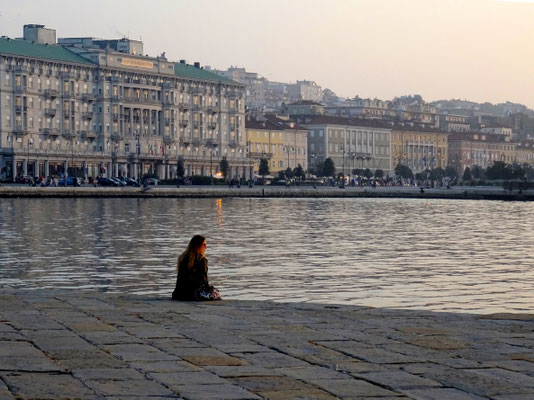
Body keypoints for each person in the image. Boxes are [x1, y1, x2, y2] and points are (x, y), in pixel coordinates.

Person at [172, 235, 221, 301]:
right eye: (204, 245)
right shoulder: (202, 260)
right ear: (198, 246)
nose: (206, 247)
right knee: (215, 292)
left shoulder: (182, 257)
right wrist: (209, 288)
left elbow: (180, 278)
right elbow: (204, 279)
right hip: (193, 295)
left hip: (179, 293)